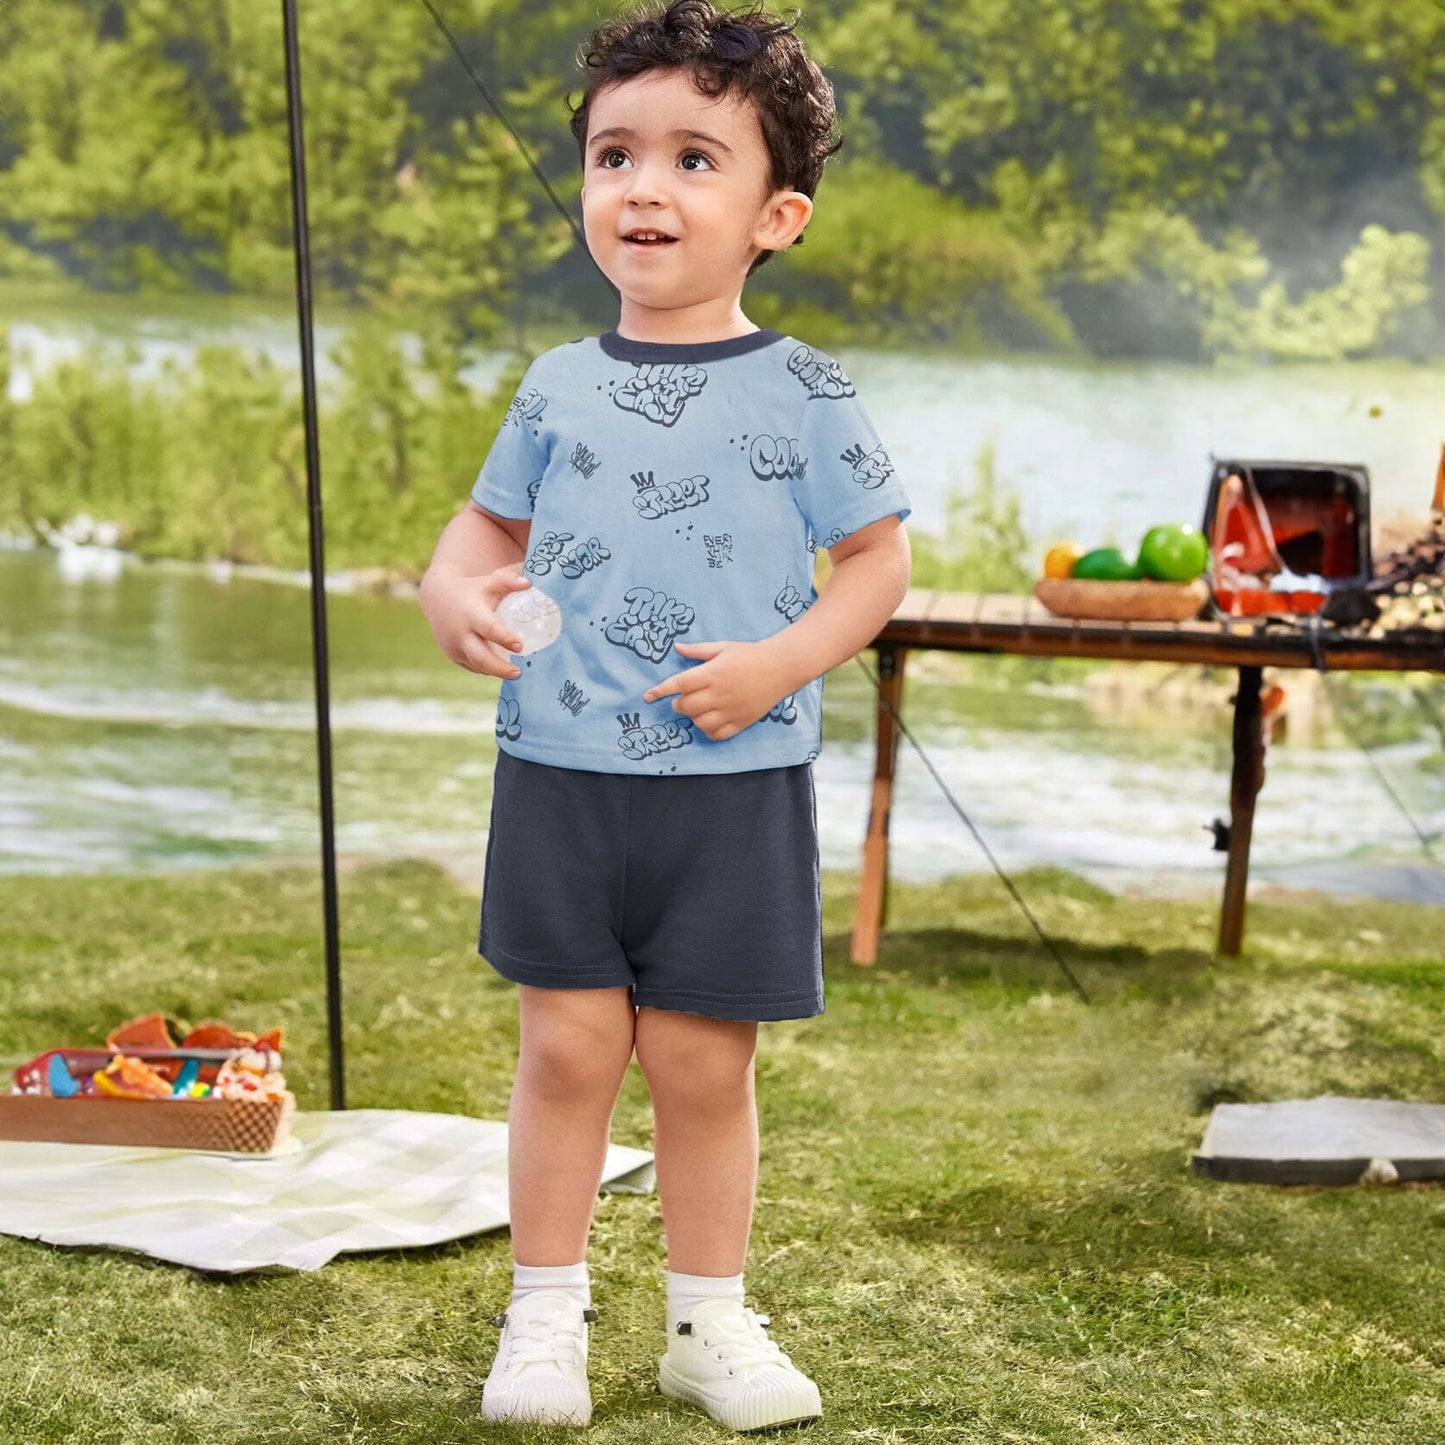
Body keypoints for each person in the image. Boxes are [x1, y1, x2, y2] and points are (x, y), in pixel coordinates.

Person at [419, 0, 911, 1430]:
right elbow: (481, 529)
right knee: (567, 1047)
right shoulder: (556, 384)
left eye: (695, 159)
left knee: (702, 1062)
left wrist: (779, 663)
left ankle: (708, 1323)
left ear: (777, 216)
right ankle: (543, 1320)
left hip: (733, 781)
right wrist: (449, 589)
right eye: (614, 155)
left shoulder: (806, 390)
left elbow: (876, 565)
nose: (643, 187)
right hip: (560, 773)